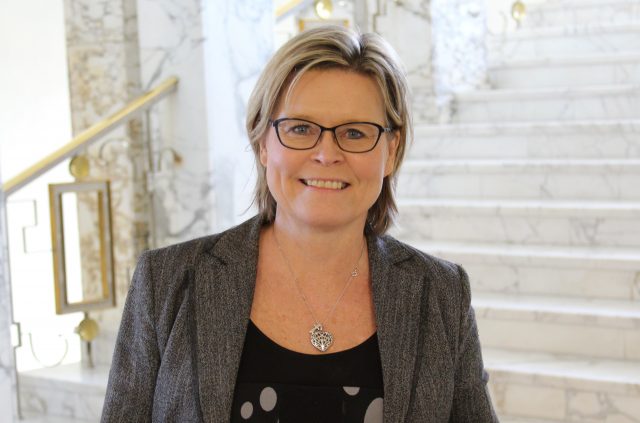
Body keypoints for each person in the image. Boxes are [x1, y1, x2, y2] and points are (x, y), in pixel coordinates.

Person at [101, 25, 498, 422]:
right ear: (263, 142)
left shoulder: (442, 293)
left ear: (390, 152)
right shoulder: (166, 282)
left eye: (355, 133)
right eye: (301, 129)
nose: (326, 154)